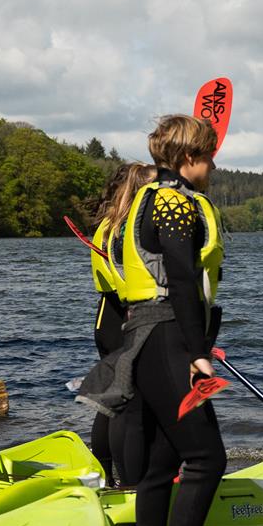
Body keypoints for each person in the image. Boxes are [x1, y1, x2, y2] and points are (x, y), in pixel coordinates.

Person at [114, 115, 231, 526]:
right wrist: (198, 353)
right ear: (188, 158)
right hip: (166, 338)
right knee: (207, 457)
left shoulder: (147, 196)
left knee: (162, 462)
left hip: (146, 337)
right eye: (208, 156)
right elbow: (182, 281)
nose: (212, 165)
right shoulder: (174, 202)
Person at [87, 162, 157, 487]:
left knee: (111, 402)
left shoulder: (109, 224)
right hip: (126, 316)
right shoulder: (130, 227)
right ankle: (129, 483)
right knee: (127, 406)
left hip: (107, 316)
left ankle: (106, 477)